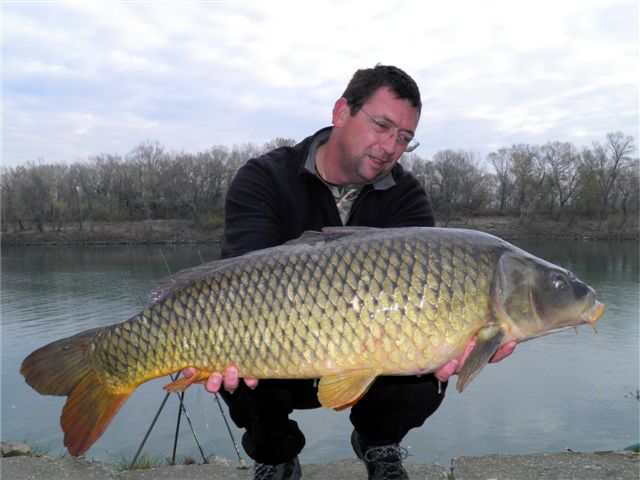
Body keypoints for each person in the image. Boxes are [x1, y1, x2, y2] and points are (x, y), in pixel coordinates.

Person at [184, 64, 515, 480]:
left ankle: (379, 442)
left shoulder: (406, 198)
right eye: (382, 125)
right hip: (281, 351)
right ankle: (275, 453)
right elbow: (244, 281)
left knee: (428, 361)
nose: (391, 146)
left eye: (404, 138)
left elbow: (428, 296)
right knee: (238, 366)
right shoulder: (264, 178)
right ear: (342, 112)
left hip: (369, 353)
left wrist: (463, 341)